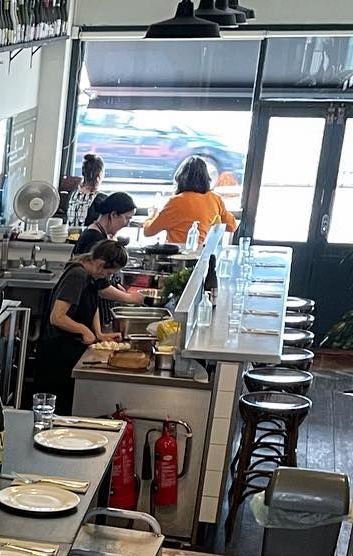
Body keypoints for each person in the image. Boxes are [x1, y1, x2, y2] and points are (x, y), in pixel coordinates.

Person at [31, 201, 134, 412]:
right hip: (57, 355)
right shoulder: (77, 274)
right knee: (57, 412)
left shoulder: (90, 275)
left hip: (71, 349)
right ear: (99, 263)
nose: (107, 277)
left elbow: (92, 305)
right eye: (108, 273)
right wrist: (83, 330)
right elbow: (57, 317)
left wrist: (99, 333)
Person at [145, 155, 239, 246]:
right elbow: (232, 226)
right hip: (201, 255)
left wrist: (151, 215)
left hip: (177, 255)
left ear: (180, 177)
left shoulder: (175, 202)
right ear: (206, 178)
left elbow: (148, 231)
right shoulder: (215, 199)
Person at [60, 152, 104, 231]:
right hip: (88, 241)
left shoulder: (72, 195)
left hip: (69, 238)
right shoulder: (101, 200)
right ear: (100, 175)